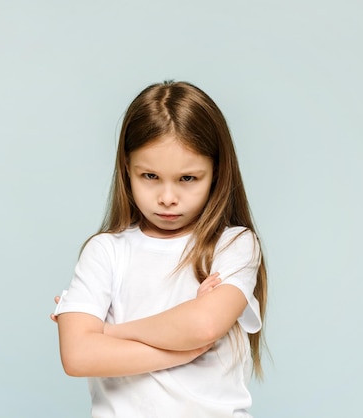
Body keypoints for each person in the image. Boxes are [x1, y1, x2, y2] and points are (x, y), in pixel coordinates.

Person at [51, 80, 267, 417]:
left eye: (187, 179)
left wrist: (109, 332)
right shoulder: (105, 251)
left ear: (216, 174)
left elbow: (203, 327)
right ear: (127, 169)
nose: (167, 198)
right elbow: (78, 356)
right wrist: (182, 350)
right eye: (150, 176)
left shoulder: (233, 245)